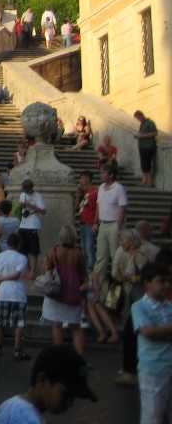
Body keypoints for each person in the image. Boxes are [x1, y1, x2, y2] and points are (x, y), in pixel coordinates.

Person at [0, 344, 96, 423]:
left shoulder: (8, 405)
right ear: (42, 380)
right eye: (66, 394)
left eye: (73, 397)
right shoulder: (29, 420)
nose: (70, 403)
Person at [132, 263, 172, 423]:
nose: (167, 285)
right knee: (152, 415)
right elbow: (148, 332)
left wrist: (160, 331)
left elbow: (154, 332)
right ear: (147, 283)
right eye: (161, 281)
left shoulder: (169, 306)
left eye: (168, 281)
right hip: (152, 370)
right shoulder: (139, 307)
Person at [41, 225, 88, 357]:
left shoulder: (54, 251)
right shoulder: (78, 253)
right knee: (76, 327)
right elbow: (83, 274)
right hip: (73, 292)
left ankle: (58, 356)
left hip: (57, 292)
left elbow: (47, 270)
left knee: (57, 325)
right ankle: (79, 357)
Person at [0, 234, 31, 361]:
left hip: (4, 293)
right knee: (19, 323)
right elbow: (17, 275)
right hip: (18, 293)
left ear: (7, 244)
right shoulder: (22, 258)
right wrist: (3, 278)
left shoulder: (0, 256)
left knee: (1, 321)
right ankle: (17, 350)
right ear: (19, 244)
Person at [95, 163, 128, 278]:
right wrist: (96, 222)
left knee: (115, 255)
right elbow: (98, 205)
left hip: (114, 224)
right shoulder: (100, 187)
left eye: (103, 173)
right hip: (103, 224)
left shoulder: (119, 188)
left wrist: (118, 226)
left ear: (111, 175)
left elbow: (122, 208)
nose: (101, 175)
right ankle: (98, 283)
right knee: (101, 256)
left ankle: (118, 281)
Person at [17, 179, 45, 275]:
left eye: (26, 189)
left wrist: (29, 205)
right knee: (22, 249)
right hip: (23, 224)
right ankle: (26, 270)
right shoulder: (22, 195)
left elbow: (43, 211)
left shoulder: (38, 196)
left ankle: (32, 271)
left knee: (33, 250)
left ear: (31, 188)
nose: (24, 191)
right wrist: (21, 206)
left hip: (33, 225)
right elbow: (20, 207)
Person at [75, 173, 98, 272]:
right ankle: (85, 268)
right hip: (82, 223)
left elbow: (98, 208)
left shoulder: (95, 192)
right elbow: (76, 207)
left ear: (88, 179)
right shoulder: (82, 192)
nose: (80, 181)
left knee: (89, 247)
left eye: (82, 178)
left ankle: (91, 269)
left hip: (90, 223)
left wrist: (95, 222)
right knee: (83, 247)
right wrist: (78, 196)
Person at [135, 110, 159, 188]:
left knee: (147, 164)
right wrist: (138, 135)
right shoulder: (142, 124)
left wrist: (142, 136)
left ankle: (149, 182)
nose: (138, 120)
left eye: (138, 118)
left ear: (141, 115)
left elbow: (155, 133)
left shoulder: (150, 122)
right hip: (142, 146)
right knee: (144, 164)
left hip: (148, 147)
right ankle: (144, 180)